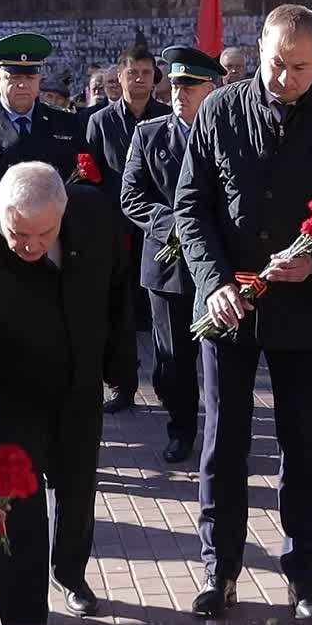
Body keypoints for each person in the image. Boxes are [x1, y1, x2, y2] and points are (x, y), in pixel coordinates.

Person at [176, 4, 312, 620]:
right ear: (258, 49)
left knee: (302, 444)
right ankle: (221, 571)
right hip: (229, 307)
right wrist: (213, 281)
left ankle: (303, 575)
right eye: (275, 63)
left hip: (301, 308)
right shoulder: (219, 108)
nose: (284, 78)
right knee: (223, 443)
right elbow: (193, 207)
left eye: (299, 67)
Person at [0, 162, 132, 625]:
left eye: (43, 235)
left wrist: (118, 367)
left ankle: (70, 573)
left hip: (79, 387)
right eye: (17, 233)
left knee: (78, 490)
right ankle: (22, 624)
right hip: (11, 400)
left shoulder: (93, 214)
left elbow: (117, 287)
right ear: (0, 211)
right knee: (16, 514)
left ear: (62, 215)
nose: (29, 246)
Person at [121, 46, 220, 465]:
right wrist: (175, 224)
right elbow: (131, 196)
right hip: (167, 266)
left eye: (191, 85)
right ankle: (181, 430)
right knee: (173, 360)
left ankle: (222, 431)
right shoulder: (149, 134)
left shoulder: (227, 132)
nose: (180, 93)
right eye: (176, 85)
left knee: (221, 356)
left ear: (211, 88)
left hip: (217, 265)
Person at [88, 45, 170, 413]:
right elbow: (89, 177)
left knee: (161, 312)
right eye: (132, 72)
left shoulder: (168, 119)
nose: (139, 80)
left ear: (156, 78)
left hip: (158, 230)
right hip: (114, 231)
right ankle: (122, 385)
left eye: (146, 73)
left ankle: (170, 385)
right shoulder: (99, 122)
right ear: (118, 77)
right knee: (117, 312)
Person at [0, 33, 84, 218]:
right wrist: (4, 221)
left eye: (29, 78)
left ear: (39, 80)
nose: (23, 85)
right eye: (14, 77)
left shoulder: (65, 122)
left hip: (54, 229)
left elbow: (80, 180)